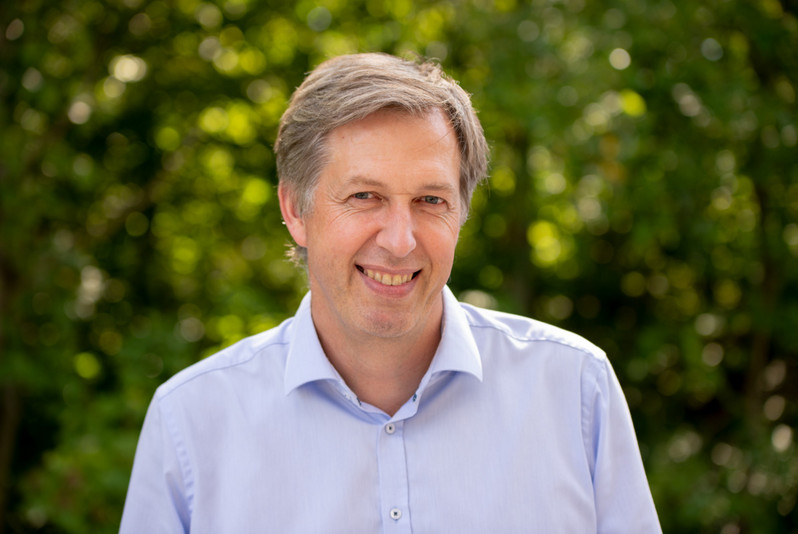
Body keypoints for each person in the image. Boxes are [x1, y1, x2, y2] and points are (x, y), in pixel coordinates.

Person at [120, 52, 661, 533]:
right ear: (295, 211)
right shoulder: (192, 423)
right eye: (364, 196)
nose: (400, 242)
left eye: (430, 200)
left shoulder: (574, 390)